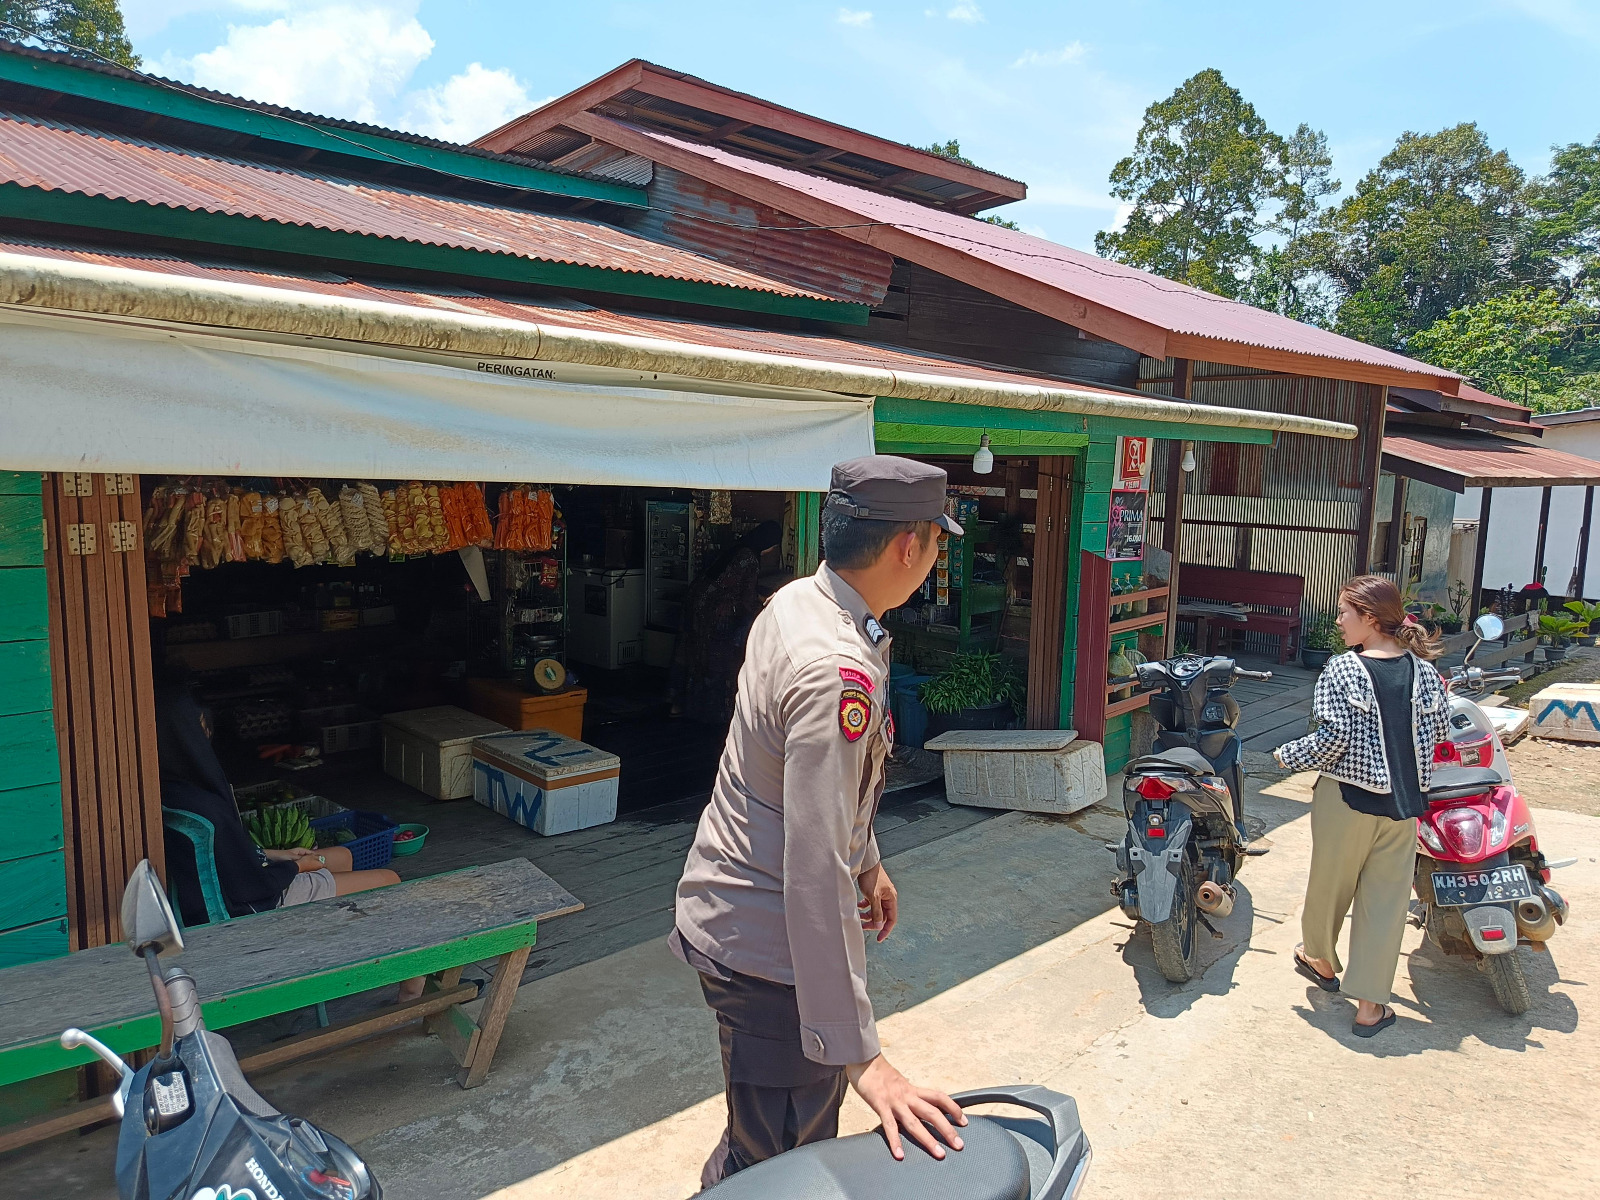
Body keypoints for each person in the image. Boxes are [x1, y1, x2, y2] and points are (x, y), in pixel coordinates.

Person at [671, 456, 969, 1185]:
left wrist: (865, 856)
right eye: (936, 543)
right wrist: (860, 1057)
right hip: (766, 948)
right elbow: (810, 874)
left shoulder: (801, 602)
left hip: (736, 908)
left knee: (766, 1142)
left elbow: (812, 791)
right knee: (777, 1165)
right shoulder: (837, 667)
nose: (932, 560)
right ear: (909, 548)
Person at [1273, 576, 1450, 1037]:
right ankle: (1370, 1008)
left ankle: (1321, 962)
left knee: (1330, 885)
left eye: (1344, 613)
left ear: (1370, 618)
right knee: (1386, 905)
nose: (1338, 621)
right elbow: (1440, 736)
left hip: (1347, 800)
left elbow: (1333, 739)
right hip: (1405, 805)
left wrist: (1286, 756)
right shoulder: (1425, 672)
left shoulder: (1343, 669)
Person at [156, 687, 404, 922]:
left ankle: (333, 930)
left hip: (241, 882)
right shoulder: (205, 811)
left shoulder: (175, 794)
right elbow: (251, 885)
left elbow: (223, 858)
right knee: (388, 878)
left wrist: (275, 854)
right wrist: (295, 867)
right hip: (253, 905)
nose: (207, 738)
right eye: (199, 732)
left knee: (342, 855)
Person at [670, 520, 783, 724]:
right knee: (716, 661)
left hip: (697, 603)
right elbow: (745, 597)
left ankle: (681, 706)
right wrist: (765, 605)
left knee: (694, 656)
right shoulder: (748, 558)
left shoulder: (738, 548)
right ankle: (712, 715)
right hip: (715, 612)